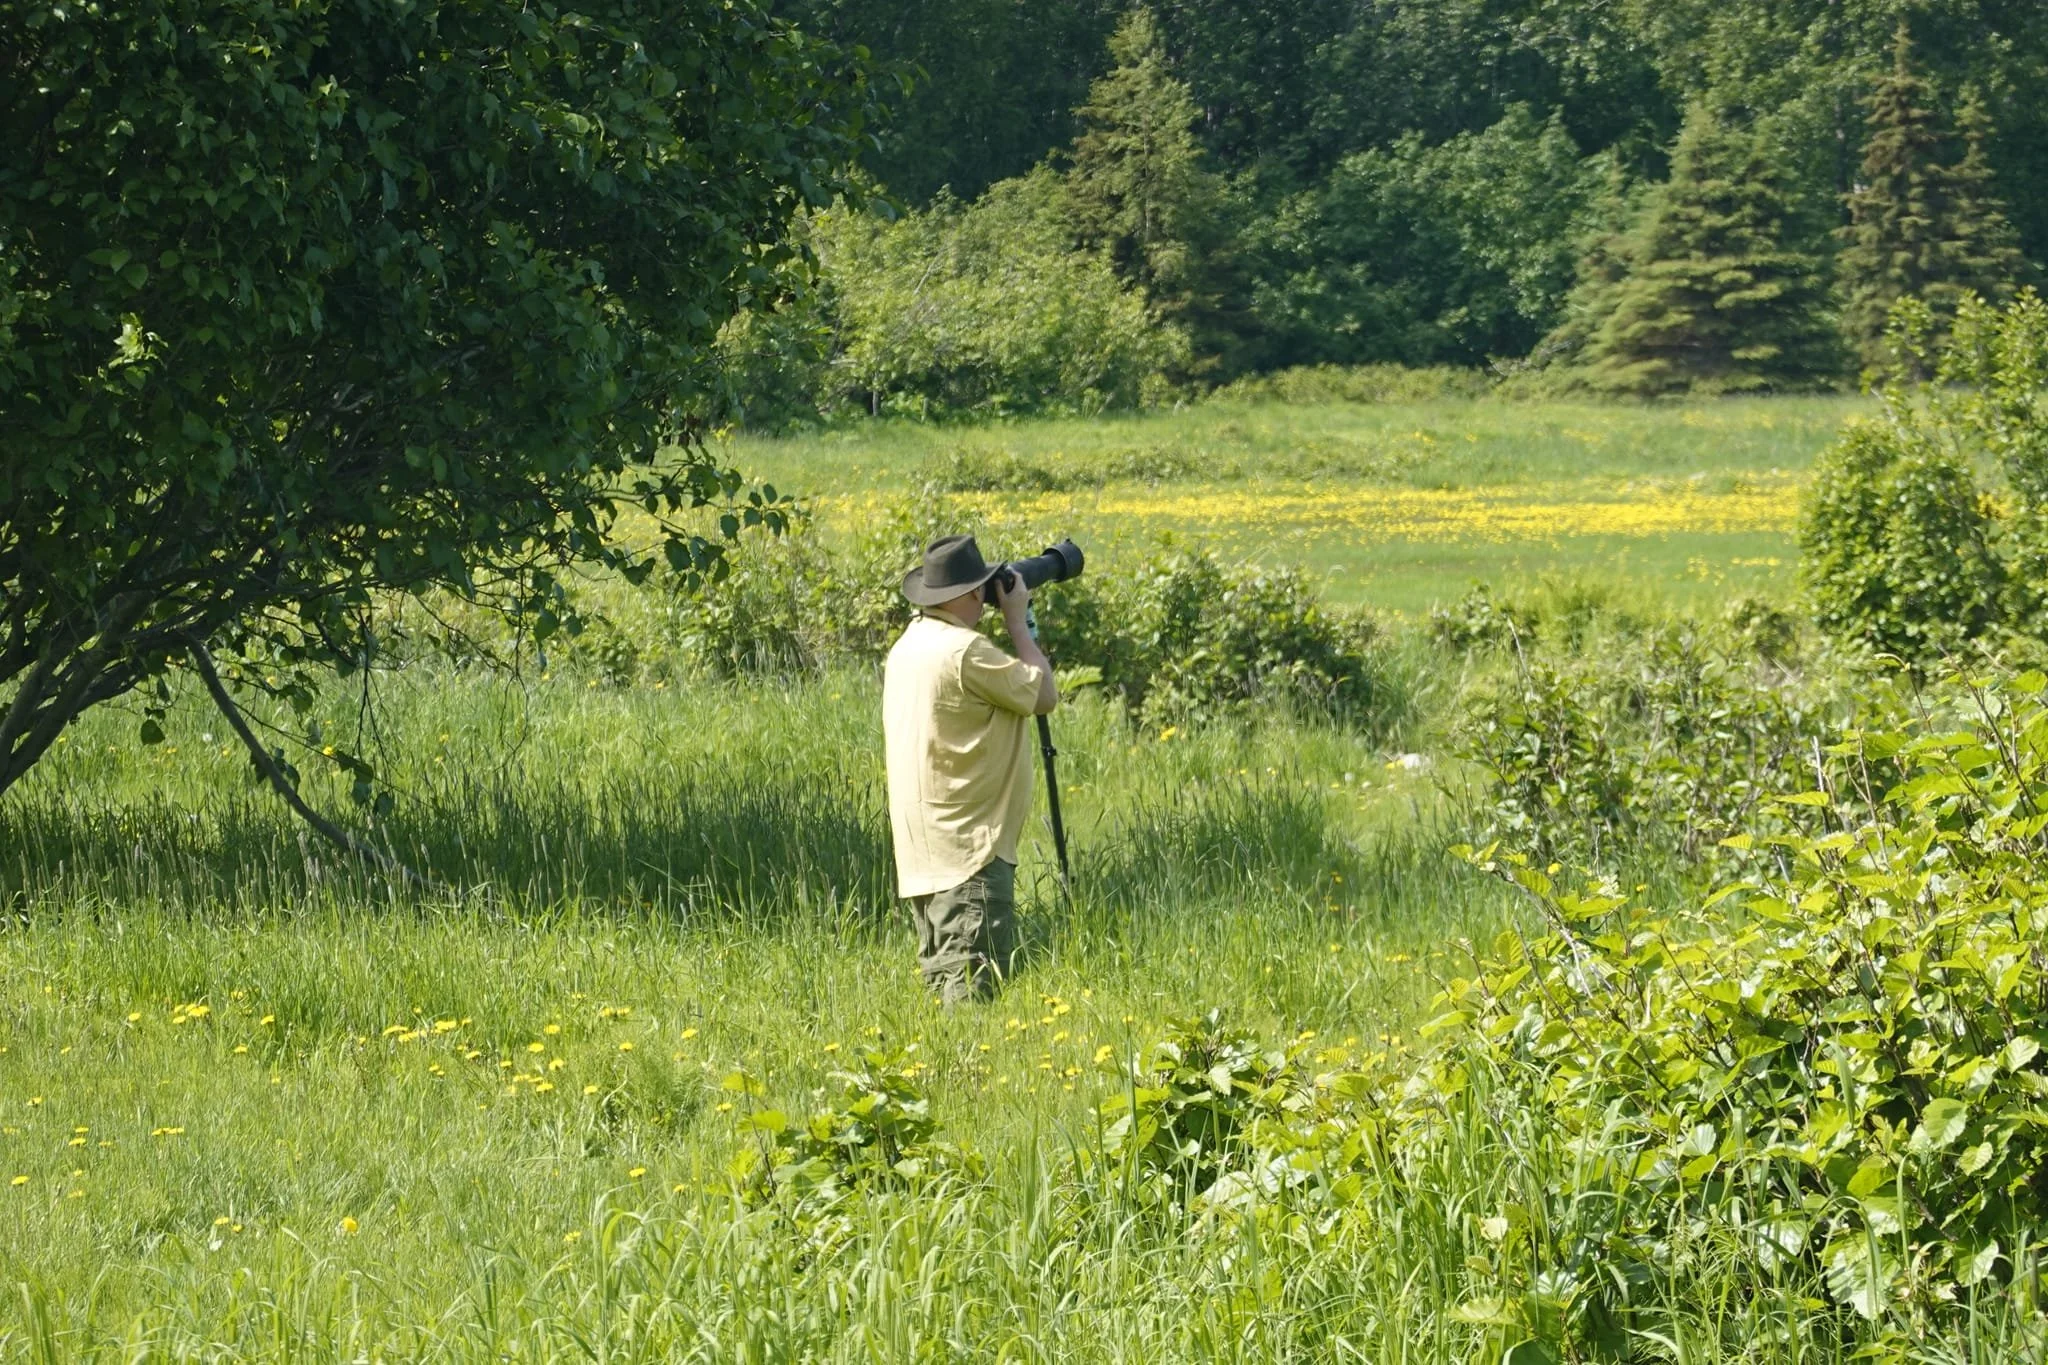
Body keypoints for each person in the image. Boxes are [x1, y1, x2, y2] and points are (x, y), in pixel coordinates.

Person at [883, 535, 1057, 1006]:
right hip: (970, 851)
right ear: (969, 594)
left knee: (945, 988)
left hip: (925, 851)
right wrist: (1019, 623)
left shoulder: (908, 646)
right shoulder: (965, 651)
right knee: (973, 1000)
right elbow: (1042, 696)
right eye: (981, 588)